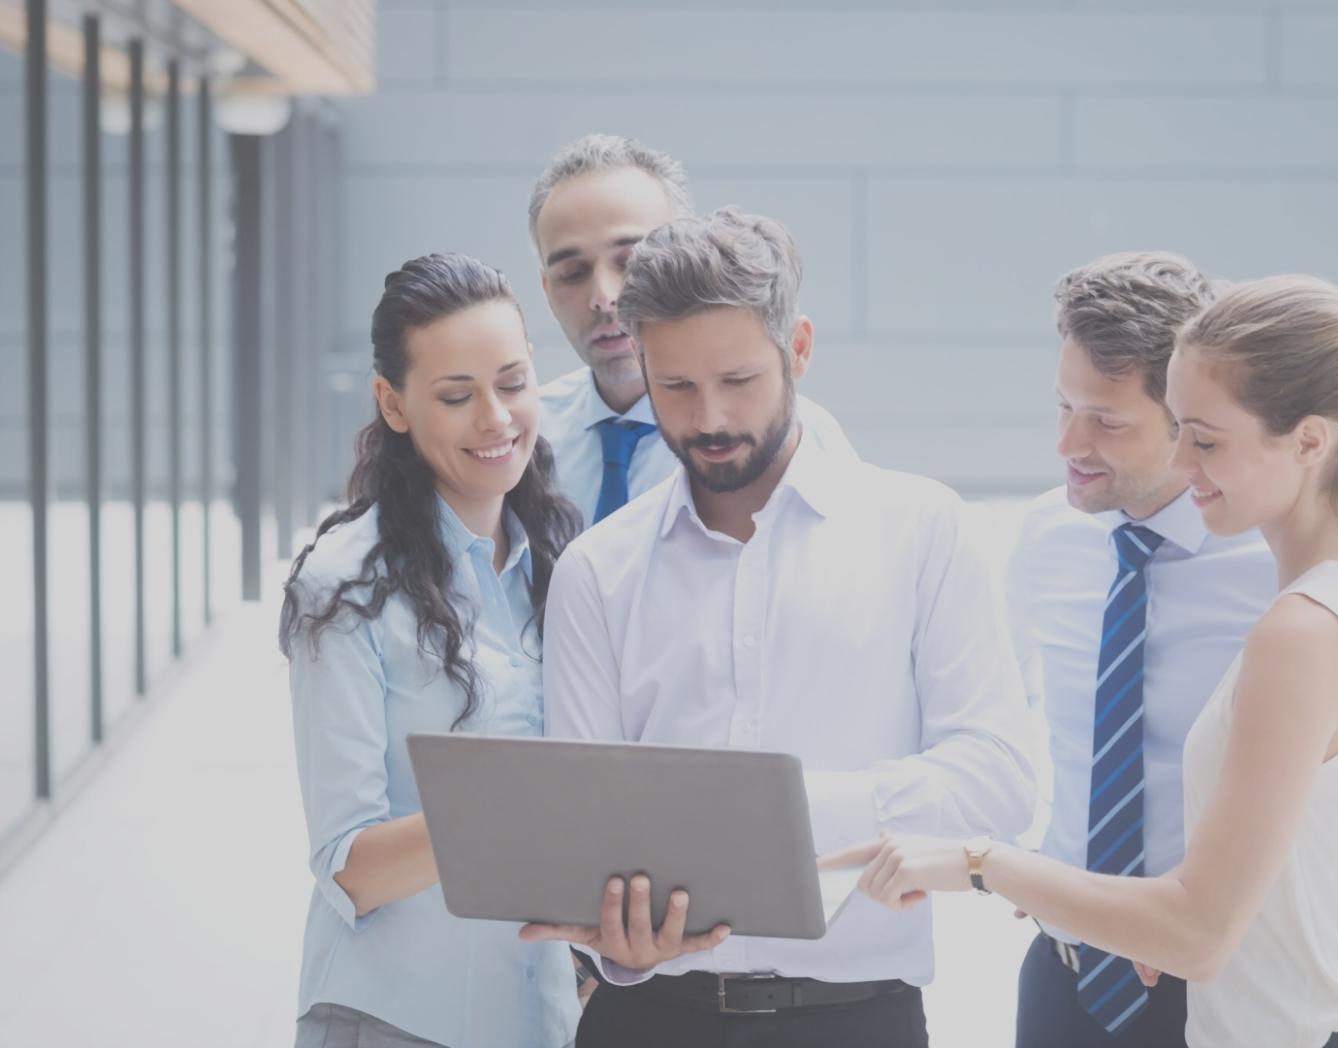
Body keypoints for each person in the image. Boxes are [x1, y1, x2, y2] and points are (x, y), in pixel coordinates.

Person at [826, 274, 1338, 1048]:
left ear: (1309, 440)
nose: (1182, 460)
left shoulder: (1303, 626)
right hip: (1141, 976)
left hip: (1262, 1003)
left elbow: (1202, 930)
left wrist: (981, 862)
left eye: (1200, 437)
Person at [519, 208, 1036, 1048]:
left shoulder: (923, 530)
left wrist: (775, 813)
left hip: (858, 1020)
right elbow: (589, 828)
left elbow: (1000, 782)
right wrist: (615, 942)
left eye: (738, 380)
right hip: (643, 1022)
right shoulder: (595, 570)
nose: (710, 418)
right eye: (676, 387)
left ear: (797, 349)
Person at [281, 253, 582, 1047]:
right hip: (395, 1016)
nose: (496, 418)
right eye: (456, 395)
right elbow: (349, 867)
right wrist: (520, 804)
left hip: (540, 1015)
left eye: (513, 384)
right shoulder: (343, 585)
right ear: (394, 404)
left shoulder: (562, 562)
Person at [529, 133, 854, 524]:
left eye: (631, 260)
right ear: (547, 290)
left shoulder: (796, 441)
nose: (603, 295)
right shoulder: (522, 440)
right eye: (573, 273)